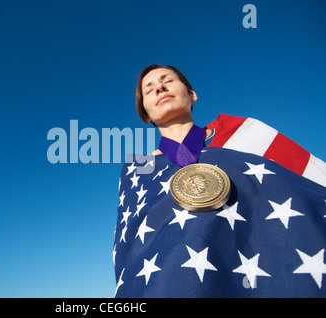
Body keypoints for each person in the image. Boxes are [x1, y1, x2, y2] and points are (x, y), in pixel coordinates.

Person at [113, 63, 326, 297]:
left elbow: (306, 181)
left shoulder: (244, 132)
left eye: (168, 80)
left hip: (266, 271)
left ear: (192, 94)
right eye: (148, 89)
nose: (160, 88)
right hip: (169, 283)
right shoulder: (138, 168)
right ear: (145, 113)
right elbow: (127, 248)